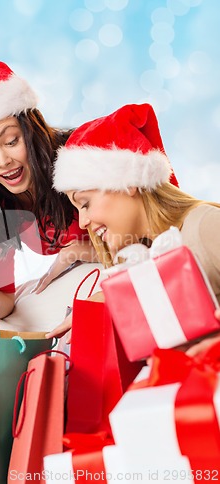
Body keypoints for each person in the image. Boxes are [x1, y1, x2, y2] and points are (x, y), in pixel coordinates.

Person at [48, 102, 220, 354]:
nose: (83, 222)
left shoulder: (204, 225)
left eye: (85, 203)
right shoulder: (145, 262)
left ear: (128, 182)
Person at [0, 60, 98, 335]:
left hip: (118, 269)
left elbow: (145, 243)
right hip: (76, 284)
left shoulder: (78, 156)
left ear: (31, 131)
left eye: (11, 141)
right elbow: (6, 297)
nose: (2, 162)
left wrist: (76, 252)